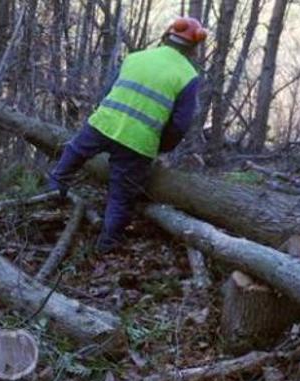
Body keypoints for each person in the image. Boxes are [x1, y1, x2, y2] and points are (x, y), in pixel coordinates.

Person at [47, 16, 206, 252]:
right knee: (120, 196)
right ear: (194, 47)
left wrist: (103, 115)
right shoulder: (188, 76)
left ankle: (51, 195)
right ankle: (107, 245)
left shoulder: (136, 57)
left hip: (104, 122)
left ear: (167, 36)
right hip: (138, 142)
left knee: (74, 153)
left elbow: (108, 91)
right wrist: (162, 147)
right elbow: (180, 125)